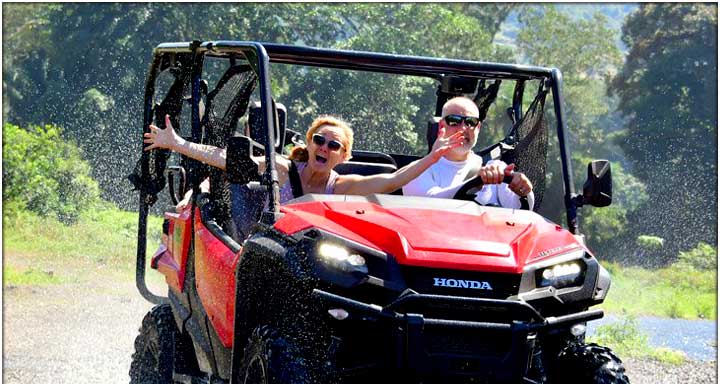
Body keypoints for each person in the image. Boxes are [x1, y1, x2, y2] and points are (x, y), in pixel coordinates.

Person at [143, 114, 467, 202]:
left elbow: (395, 180)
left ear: (344, 155)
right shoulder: (283, 169)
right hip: (272, 248)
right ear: (310, 144)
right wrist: (178, 143)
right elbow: (227, 159)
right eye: (319, 140)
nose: (324, 148)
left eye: (333, 145)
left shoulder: (341, 187)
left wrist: (434, 157)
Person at [403, 96, 534, 209]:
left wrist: (523, 189)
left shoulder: (496, 168)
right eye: (454, 120)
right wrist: (477, 182)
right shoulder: (416, 170)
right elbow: (429, 203)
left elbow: (521, 210)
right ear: (441, 126)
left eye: (470, 122)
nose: (463, 128)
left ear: (478, 128)